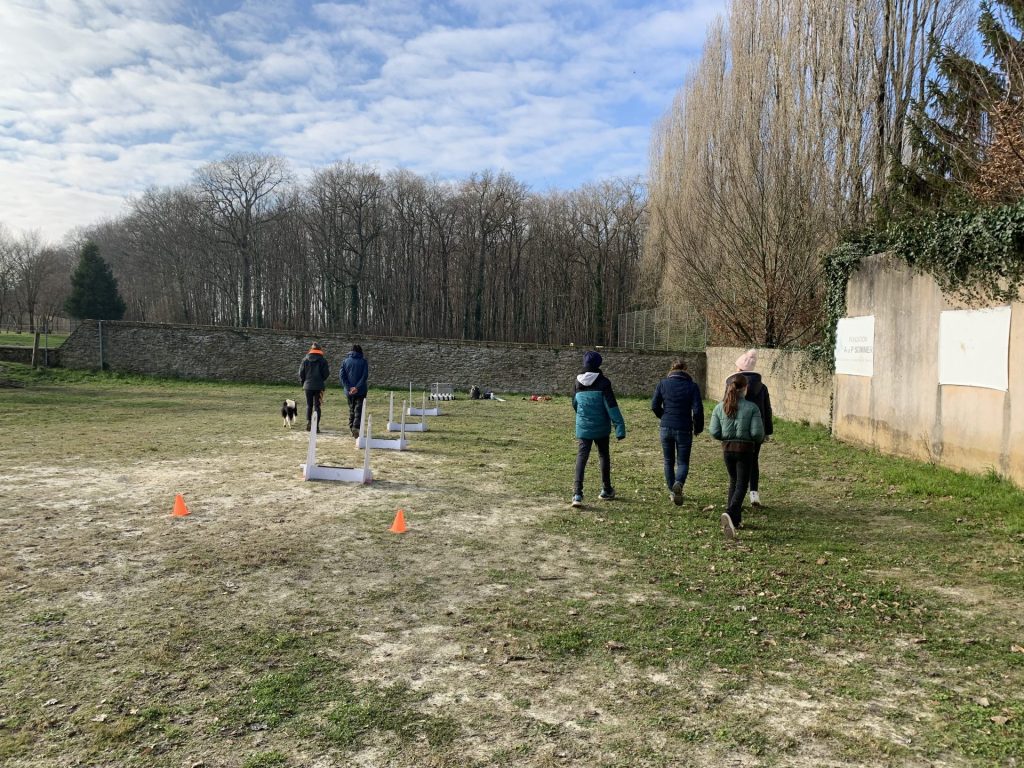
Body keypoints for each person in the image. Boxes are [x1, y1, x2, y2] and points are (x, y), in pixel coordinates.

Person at [709, 373, 765, 540]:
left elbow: (714, 431)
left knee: (733, 481)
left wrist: (726, 438)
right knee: (742, 484)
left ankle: (736, 520)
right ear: (745, 388)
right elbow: (757, 432)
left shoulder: (720, 407)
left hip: (727, 449)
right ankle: (731, 512)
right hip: (745, 449)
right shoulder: (752, 408)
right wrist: (756, 439)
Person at [571, 351, 626, 507]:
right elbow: (612, 406)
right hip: (601, 427)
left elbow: (575, 404)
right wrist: (619, 427)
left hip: (583, 427)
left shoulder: (577, 382)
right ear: (599, 364)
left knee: (582, 457)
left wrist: (583, 416)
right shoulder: (604, 382)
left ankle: (577, 494)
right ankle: (606, 489)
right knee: (603, 456)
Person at [651, 358, 704, 506]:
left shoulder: (663, 384)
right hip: (684, 427)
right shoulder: (692, 386)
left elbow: (654, 405)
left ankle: (672, 491)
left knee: (668, 461)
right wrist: (698, 427)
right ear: (686, 370)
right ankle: (679, 484)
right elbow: (698, 410)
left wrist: (664, 416)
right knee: (683, 462)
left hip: (666, 426)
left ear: (672, 369)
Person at [734, 349, 773, 507]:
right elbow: (767, 410)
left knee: (738, 462)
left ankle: (737, 494)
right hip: (758, 430)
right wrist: (767, 431)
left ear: (741, 369)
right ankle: (754, 494)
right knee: (753, 460)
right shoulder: (762, 387)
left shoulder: (734, 384)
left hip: (738, 429)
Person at [298, 342, 330, 431]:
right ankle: (316, 426)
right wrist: (321, 380)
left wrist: (303, 382)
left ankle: (309, 422)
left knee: (309, 405)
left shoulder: (305, 360)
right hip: (319, 387)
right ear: (319, 350)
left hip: (307, 386)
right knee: (317, 406)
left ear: (311, 349)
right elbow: (326, 374)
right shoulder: (323, 360)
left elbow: (301, 373)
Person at [340, 344, 369, 438]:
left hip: (349, 391)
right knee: (359, 410)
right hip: (361, 390)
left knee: (351, 409)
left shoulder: (345, 361)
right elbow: (364, 376)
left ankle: (351, 428)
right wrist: (357, 387)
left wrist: (349, 388)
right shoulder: (364, 362)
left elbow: (342, 376)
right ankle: (356, 426)